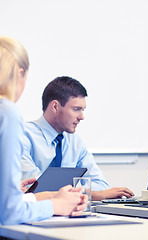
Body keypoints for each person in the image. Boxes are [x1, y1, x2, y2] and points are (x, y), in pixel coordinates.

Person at [0, 36, 87, 225]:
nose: (81, 116)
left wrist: (30, 197)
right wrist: (56, 206)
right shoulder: (7, 112)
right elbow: (9, 213)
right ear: (19, 74)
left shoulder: (75, 142)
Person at [21, 76, 134, 201]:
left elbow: (101, 186)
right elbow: (36, 189)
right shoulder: (21, 137)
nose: (81, 117)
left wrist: (82, 192)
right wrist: (91, 194)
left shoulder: (75, 142)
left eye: (83, 110)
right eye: (76, 109)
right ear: (55, 106)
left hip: (68, 215)